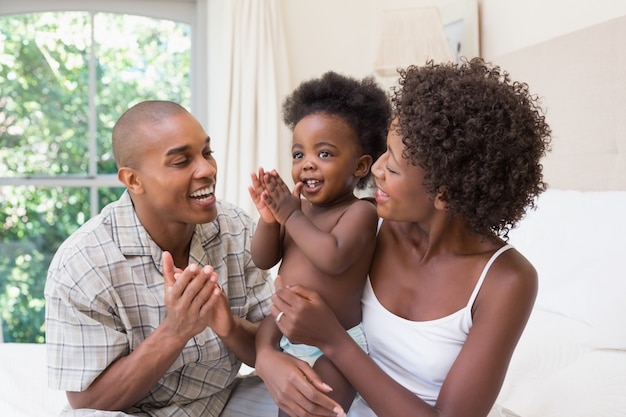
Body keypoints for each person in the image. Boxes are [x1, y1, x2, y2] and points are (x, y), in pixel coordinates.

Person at [255, 58, 552, 417]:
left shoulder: (506, 280)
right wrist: (266, 355)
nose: (375, 169)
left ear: (443, 192)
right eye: (383, 153)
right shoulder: (373, 225)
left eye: (392, 166)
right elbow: (297, 288)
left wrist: (333, 341)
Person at [44, 100, 276, 417]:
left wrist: (229, 327)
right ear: (133, 180)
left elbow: (271, 346)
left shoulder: (235, 228)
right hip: (138, 413)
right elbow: (88, 402)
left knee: (321, 395)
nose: (208, 169)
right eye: (182, 161)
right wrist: (176, 330)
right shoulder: (83, 263)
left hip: (223, 401)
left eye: (207, 153)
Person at [248, 71, 391, 416]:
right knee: (290, 400)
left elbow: (332, 258)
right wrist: (271, 219)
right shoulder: (297, 212)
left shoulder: (360, 212)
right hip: (288, 334)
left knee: (315, 405)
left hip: (336, 346)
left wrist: (290, 216)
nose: (307, 163)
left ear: (360, 166)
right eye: (299, 155)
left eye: (324, 154)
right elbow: (262, 259)